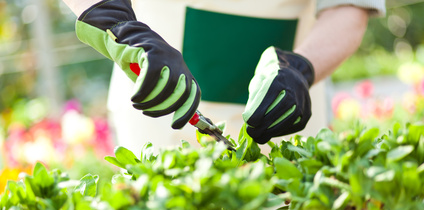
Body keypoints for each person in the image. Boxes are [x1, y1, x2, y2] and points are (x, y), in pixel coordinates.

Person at [62, 0, 385, 153]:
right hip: (155, 99)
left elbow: (349, 8)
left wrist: (301, 67)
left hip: (285, 110)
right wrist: (115, 22)